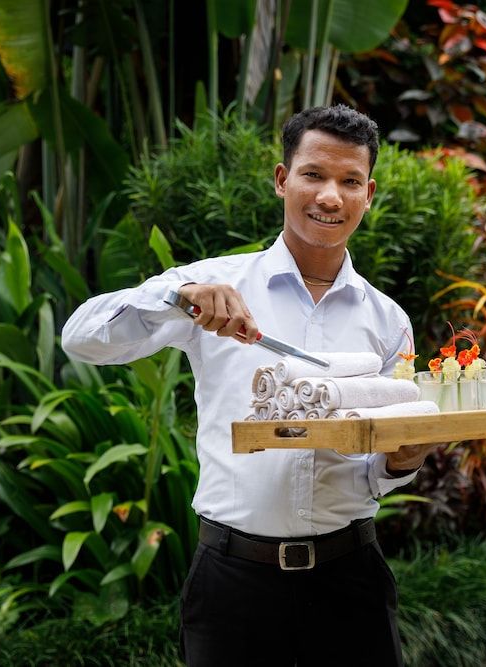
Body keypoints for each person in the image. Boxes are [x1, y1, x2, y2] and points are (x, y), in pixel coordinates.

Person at [61, 105, 439, 666]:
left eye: (349, 181)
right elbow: (81, 338)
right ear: (282, 180)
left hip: (351, 579)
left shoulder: (388, 321)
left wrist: (403, 461)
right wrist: (178, 297)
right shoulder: (212, 286)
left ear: (368, 192)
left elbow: (376, 476)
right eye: (313, 174)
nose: (330, 196)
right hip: (232, 584)